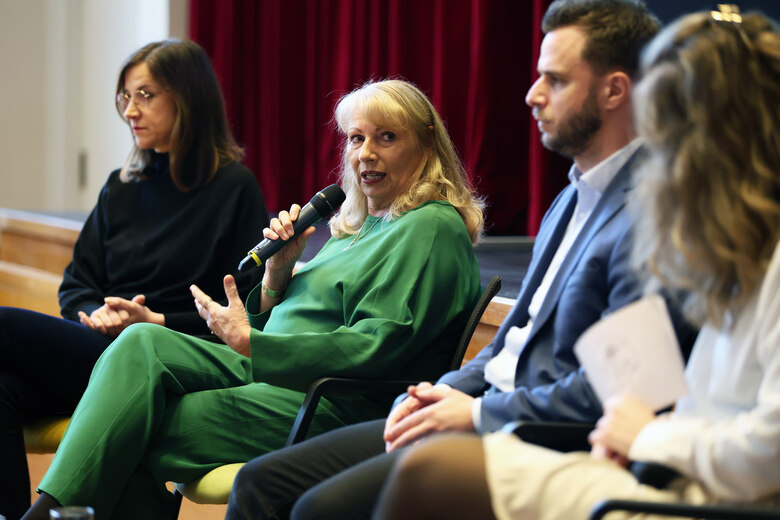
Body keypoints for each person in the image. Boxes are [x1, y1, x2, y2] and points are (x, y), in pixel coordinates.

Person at [224, 2, 695, 519]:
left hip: (537, 435)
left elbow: (625, 389)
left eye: (556, 80)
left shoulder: (653, 214)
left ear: (615, 90)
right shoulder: (570, 199)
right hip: (483, 408)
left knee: (317, 507)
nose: (532, 94)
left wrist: (478, 411)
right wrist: (442, 393)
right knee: (263, 482)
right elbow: (514, 340)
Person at [373, 7, 780, 519]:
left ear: (723, 138)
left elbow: (764, 449)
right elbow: (685, 401)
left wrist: (650, 437)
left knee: (429, 473)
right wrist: (641, 436)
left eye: (664, 126)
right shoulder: (732, 250)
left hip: (705, 499)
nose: (654, 150)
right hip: (668, 469)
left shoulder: (725, 249)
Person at [20, 78, 484, 520]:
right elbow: (286, 323)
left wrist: (252, 344)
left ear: (426, 143)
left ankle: (48, 513)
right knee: (141, 340)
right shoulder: (361, 227)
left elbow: (376, 346)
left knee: (135, 427)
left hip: (332, 400)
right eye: (355, 138)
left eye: (386, 137)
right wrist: (276, 278)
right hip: (273, 373)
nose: (365, 153)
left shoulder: (430, 226)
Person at [0, 39, 268, 520]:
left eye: (145, 95)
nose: (130, 110)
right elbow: (77, 282)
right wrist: (95, 313)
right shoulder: (120, 186)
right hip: (97, 348)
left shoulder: (235, 188)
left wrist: (155, 320)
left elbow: (244, 310)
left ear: (187, 99)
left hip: (167, 361)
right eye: (125, 96)